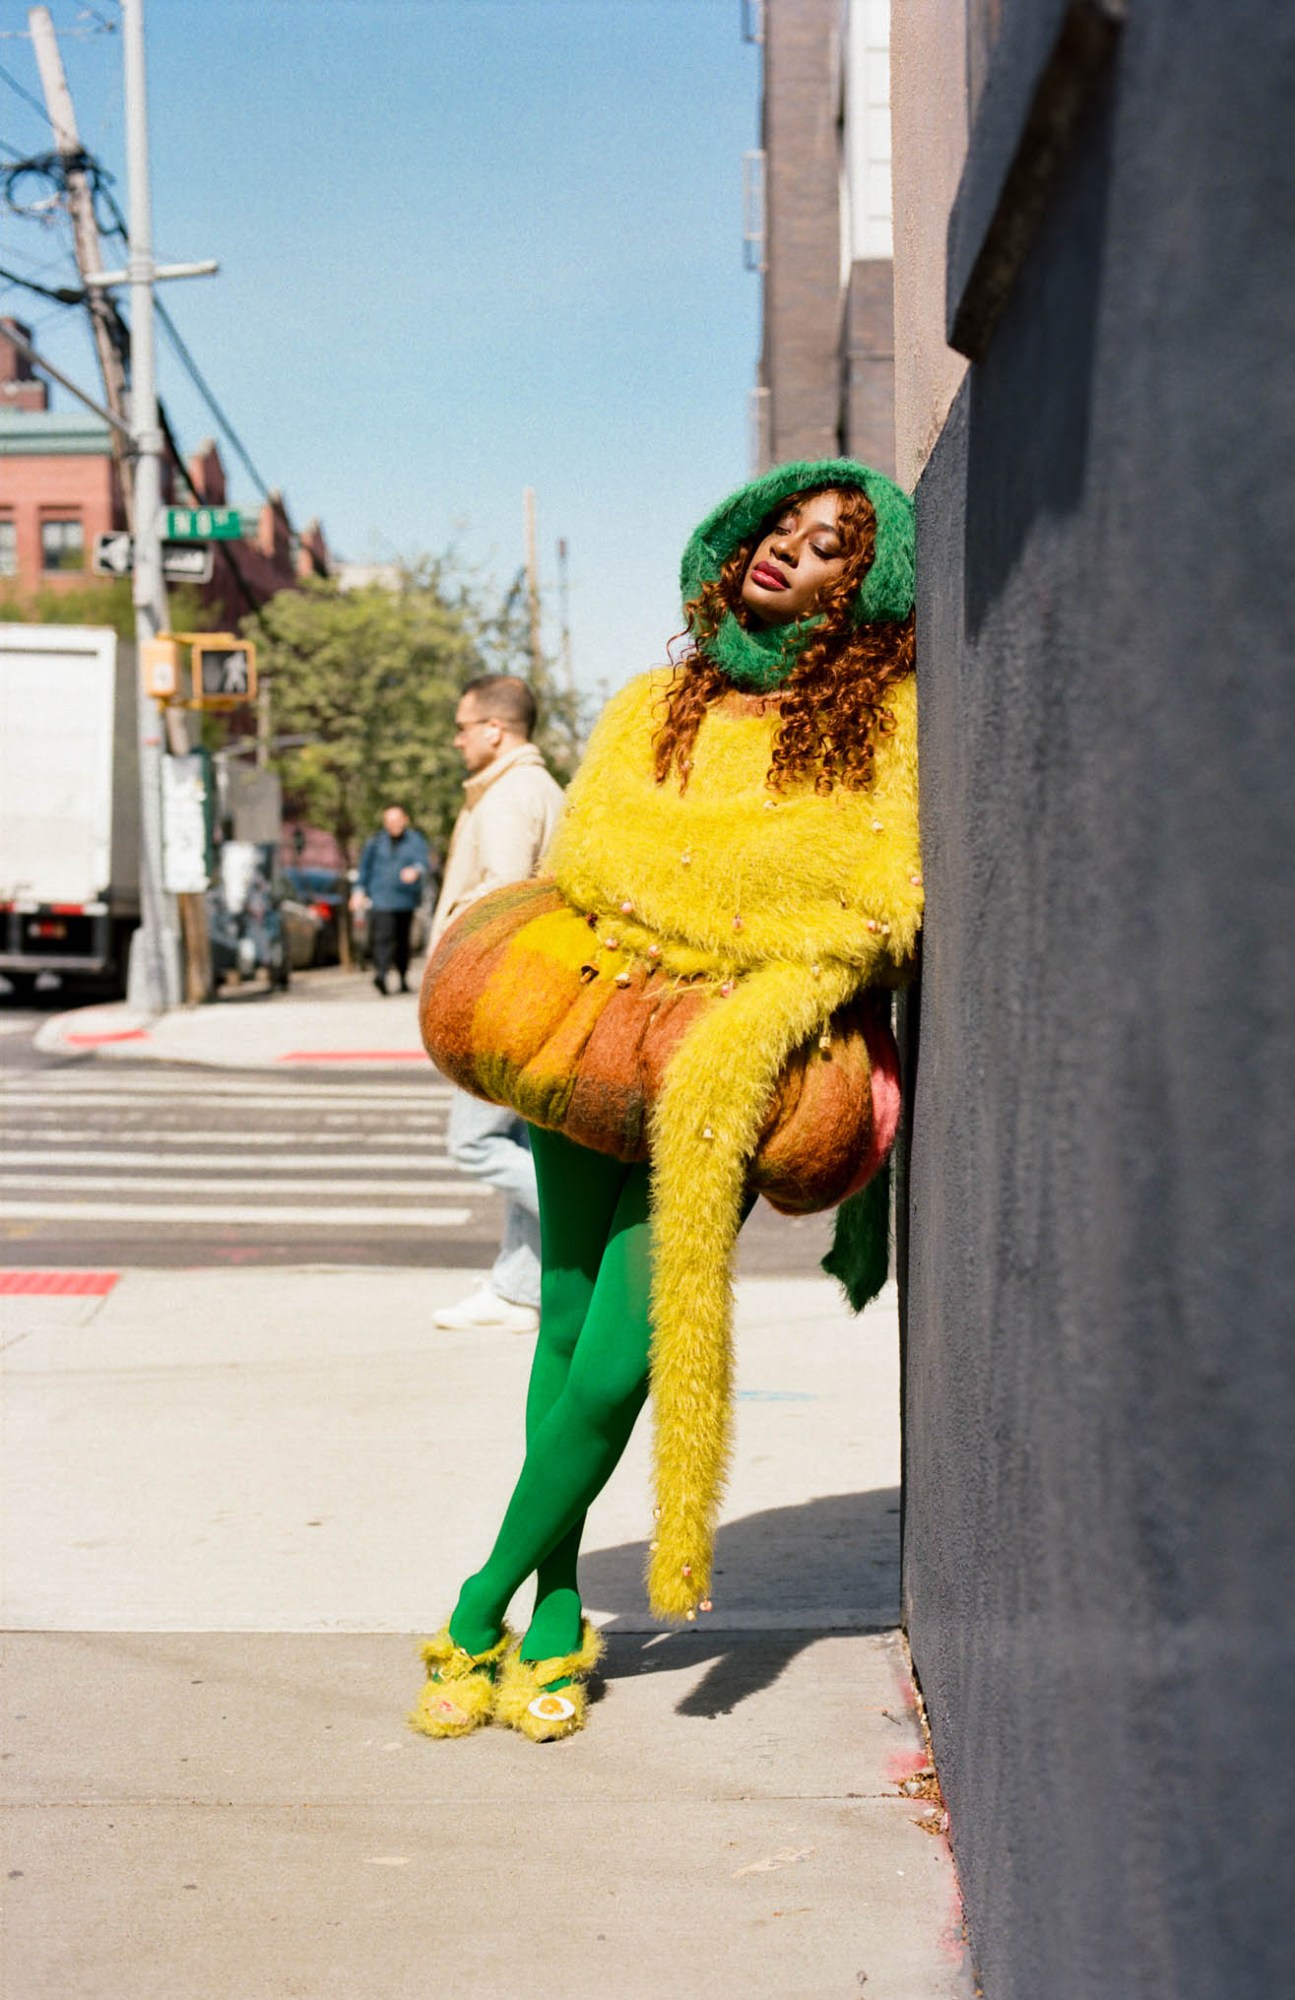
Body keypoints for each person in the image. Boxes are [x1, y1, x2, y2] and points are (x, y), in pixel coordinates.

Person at [408, 459, 920, 1744]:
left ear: (860, 591)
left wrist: (693, 903)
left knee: (630, 1351)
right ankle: (560, 1606)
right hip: (591, 1022)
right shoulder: (657, 699)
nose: (784, 556)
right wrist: (737, 898)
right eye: (779, 532)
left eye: (823, 550)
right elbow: (596, 850)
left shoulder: (883, 722)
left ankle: (474, 1602)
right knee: (565, 1317)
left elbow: (869, 890)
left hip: (729, 1062)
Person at [429, 674, 566, 1335]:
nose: (455, 739)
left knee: (475, 1143)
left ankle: (580, 1226)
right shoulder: (523, 788)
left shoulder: (509, 797)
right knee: (516, 1142)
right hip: (526, 1000)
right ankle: (519, 1290)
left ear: (495, 729)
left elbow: (504, 910)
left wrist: (471, 1003)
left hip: (502, 1002)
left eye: (462, 726)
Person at [352, 806, 432, 994]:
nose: (393, 825)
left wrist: (416, 871)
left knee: (402, 941)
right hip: (380, 898)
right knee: (381, 938)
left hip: (405, 900)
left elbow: (424, 863)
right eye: (389, 822)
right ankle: (381, 975)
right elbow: (364, 868)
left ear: (405, 820)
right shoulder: (376, 842)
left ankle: (403, 976)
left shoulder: (415, 840)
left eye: (396, 821)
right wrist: (358, 891)